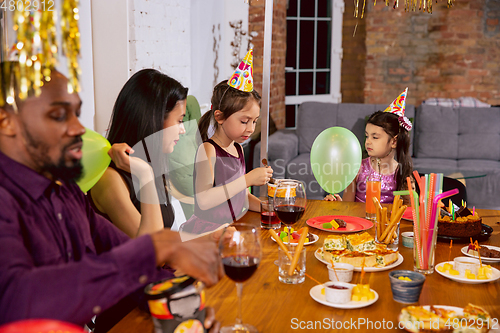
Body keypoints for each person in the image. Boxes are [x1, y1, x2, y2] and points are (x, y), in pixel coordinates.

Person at [0, 65, 222, 330]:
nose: (78, 129)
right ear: (7, 122)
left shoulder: (65, 191)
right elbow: (16, 299)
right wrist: (155, 248)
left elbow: (130, 260)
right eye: (59, 115)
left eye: (76, 114)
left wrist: (181, 308)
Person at [180, 50, 273, 234]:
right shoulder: (208, 150)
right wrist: (247, 179)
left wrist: (268, 208)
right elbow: (204, 200)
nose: (251, 129)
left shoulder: (237, 148)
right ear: (220, 117)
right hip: (209, 232)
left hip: (234, 226)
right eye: (244, 121)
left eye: (254, 121)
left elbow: (243, 197)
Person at [88, 69, 187, 237]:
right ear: (154, 121)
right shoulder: (109, 179)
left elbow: (168, 236)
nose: (183, 130)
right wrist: (145, 175)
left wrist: (208, 239)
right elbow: (153, 248)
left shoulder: (152, 166)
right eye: (179, 121)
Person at [325, 89, 413, 204]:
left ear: (394, 142)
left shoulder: (403, 174)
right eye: (367, 136)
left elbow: (408, 214)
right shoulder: (357, 168)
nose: (368, 142)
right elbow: (348, 207)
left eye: (375, 137)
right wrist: (338, 203)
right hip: (360, 221)